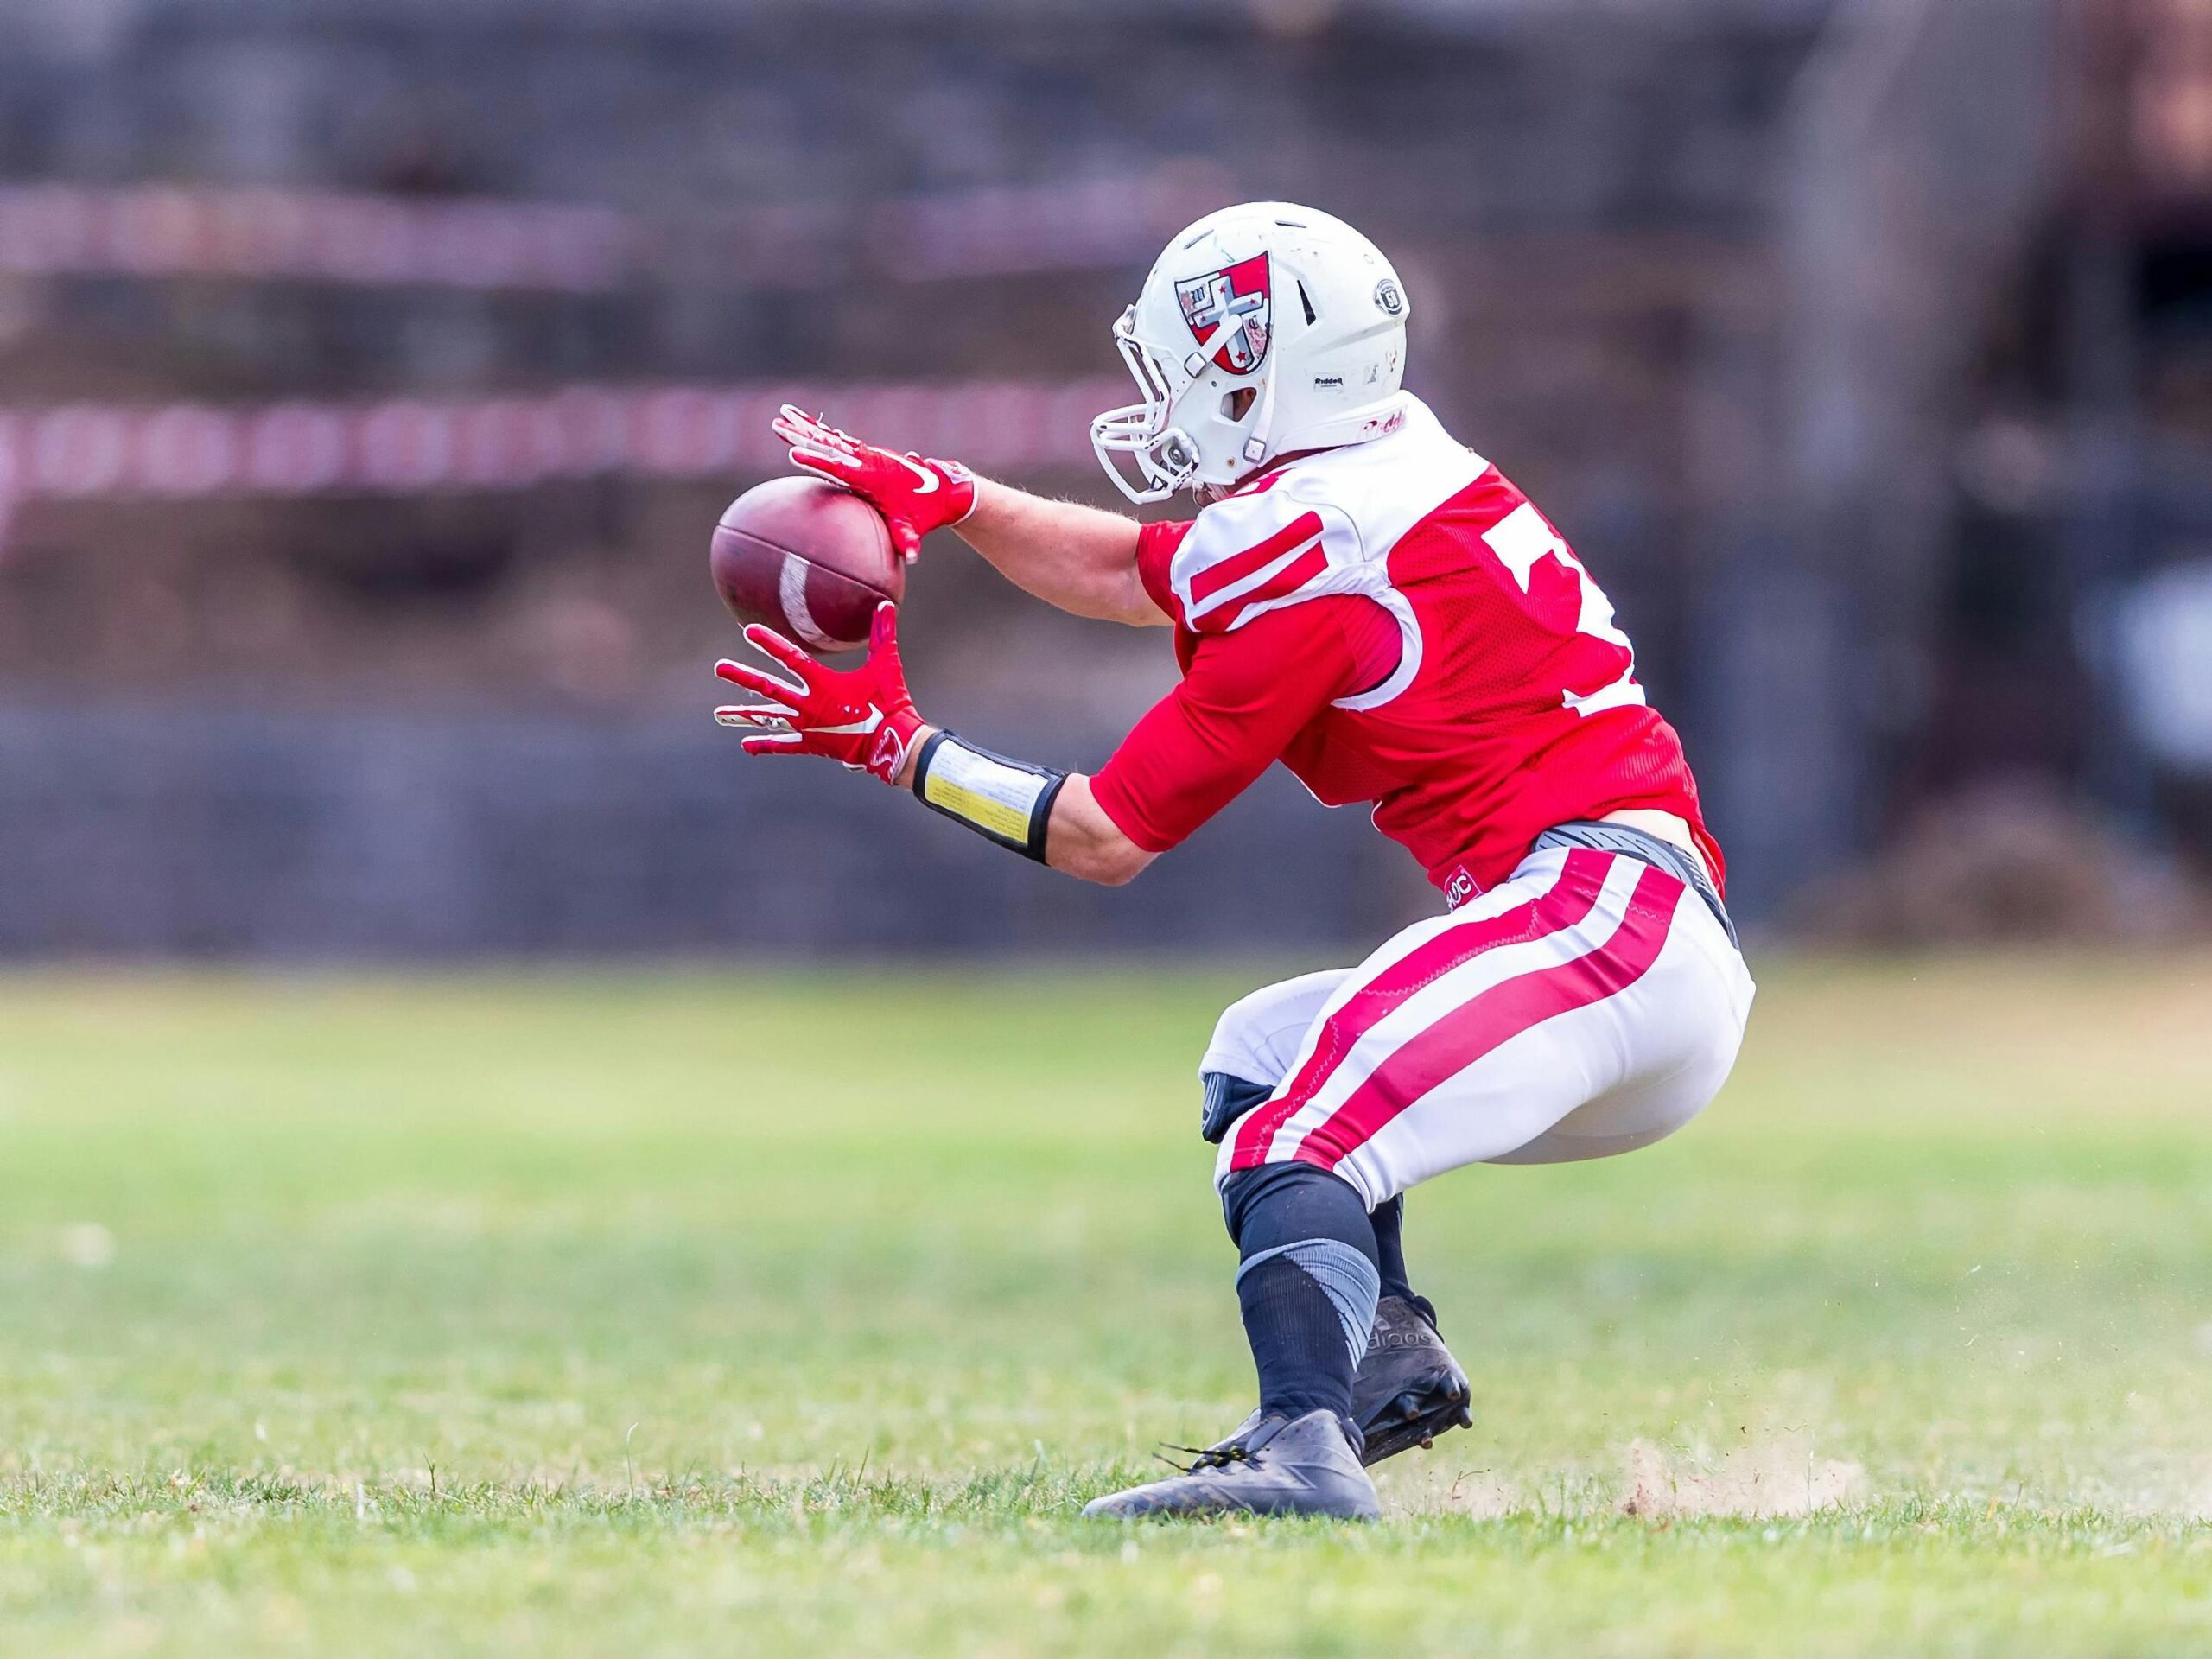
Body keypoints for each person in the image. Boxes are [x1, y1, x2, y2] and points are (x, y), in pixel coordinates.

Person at [714, 202, 1756, 1521]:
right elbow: (1155, 570)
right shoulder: (1382, 471)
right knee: (1263, 1050)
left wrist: (899, 747)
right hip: (1623, 929)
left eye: (1186, 365)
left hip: (1595, 914)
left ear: (1262, 367)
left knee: (1297, 1129)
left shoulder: (1318, 543)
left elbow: (1106, 836)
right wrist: (961, 500)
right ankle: (1381, 1360)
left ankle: (1303, 1452)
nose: (1167, 396)